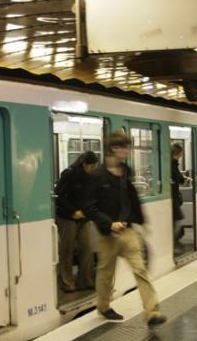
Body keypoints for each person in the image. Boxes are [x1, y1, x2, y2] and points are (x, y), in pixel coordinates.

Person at [85, 132, 166, 326]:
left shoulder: (126, 171)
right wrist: (108, 224)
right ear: (114, 149)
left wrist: (141, 220)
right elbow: (89, 207)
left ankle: (152, 311)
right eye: (125, 147)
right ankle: (104, 306)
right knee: (106, 273)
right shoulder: (97, 176)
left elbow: (131, 196)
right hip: (109, 234)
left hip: (127, 232)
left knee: (140, 269)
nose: (127, 151)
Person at [55, 151, 98, 292]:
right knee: (67, 250)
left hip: (83, 217)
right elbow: (59, 197)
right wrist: (73, 212)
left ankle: (85, 280)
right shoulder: (68, 174)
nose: (93, 169)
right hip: (67, 217)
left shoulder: (90, 177)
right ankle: (67, 283)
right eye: (91, 166)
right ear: (84, 164)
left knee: (86, 248)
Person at [170, 143, 187, 246]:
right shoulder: (173, 165)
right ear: (179, 153)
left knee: (176, 222)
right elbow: (179, 179)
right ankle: (173, 243)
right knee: (177, 222)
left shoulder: (172, 164)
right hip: (173, 198)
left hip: (174, 197)